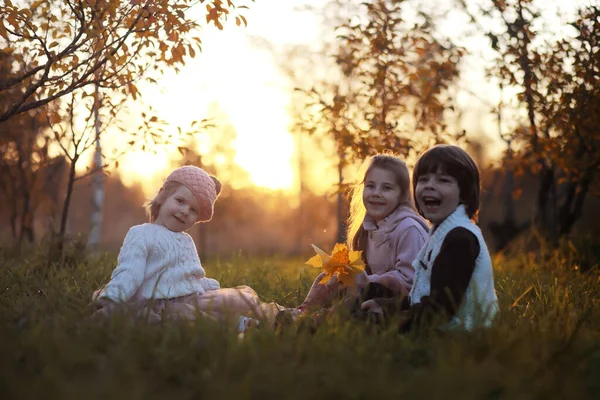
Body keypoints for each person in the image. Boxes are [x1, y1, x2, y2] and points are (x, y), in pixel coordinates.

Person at [92, 165, 282, 330]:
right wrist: (113, 296)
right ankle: (244, 326)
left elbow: (189, 275)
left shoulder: (186, 240)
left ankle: (281, 316)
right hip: (159, 304)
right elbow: (130, 272)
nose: (185, 211)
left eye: (193, 211)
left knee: (238, 298)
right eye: (180, 201)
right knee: (190, 317)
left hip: (190, 298)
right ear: (162, 196)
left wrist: (208, 286)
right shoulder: (141, 233)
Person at [361, 144, 499, 331]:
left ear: (464, 192)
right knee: (367, 302)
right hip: (432, 318)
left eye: (443, 180)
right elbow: (421, 295)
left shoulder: (460, 238)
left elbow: (441, 310)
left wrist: (393, 316)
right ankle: (321, 318)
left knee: (362, 321)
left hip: (460, 330)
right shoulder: (440, 233)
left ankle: (318, 325)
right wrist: (387, 306)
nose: (430, 186)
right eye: (423, 180)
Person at [296, 154, 429, 315]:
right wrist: (349, 274)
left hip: (403, 302)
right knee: (328, 277)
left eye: (386, 188)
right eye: (370, 186)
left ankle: (316, 320)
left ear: (401, 195)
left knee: (353, 303)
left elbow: (411, 282)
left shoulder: (408, 229)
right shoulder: (368, 228)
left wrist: (366, 281)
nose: (376, 193)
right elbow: (364, 273)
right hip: (374, 291)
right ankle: (303, 311)